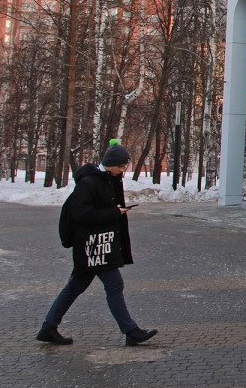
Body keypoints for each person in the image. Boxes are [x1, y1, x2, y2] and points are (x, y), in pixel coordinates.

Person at [36, 141, 158, 346]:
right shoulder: (89, 183)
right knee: (114, 284)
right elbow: (80, 214)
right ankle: (130, 331)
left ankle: (48, 327)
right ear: (110, 163)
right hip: (92, 246)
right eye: (120, 166)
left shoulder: (107, 180)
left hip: (98, 246)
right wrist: (114, 213)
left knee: (75, 286)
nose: (122, 170)